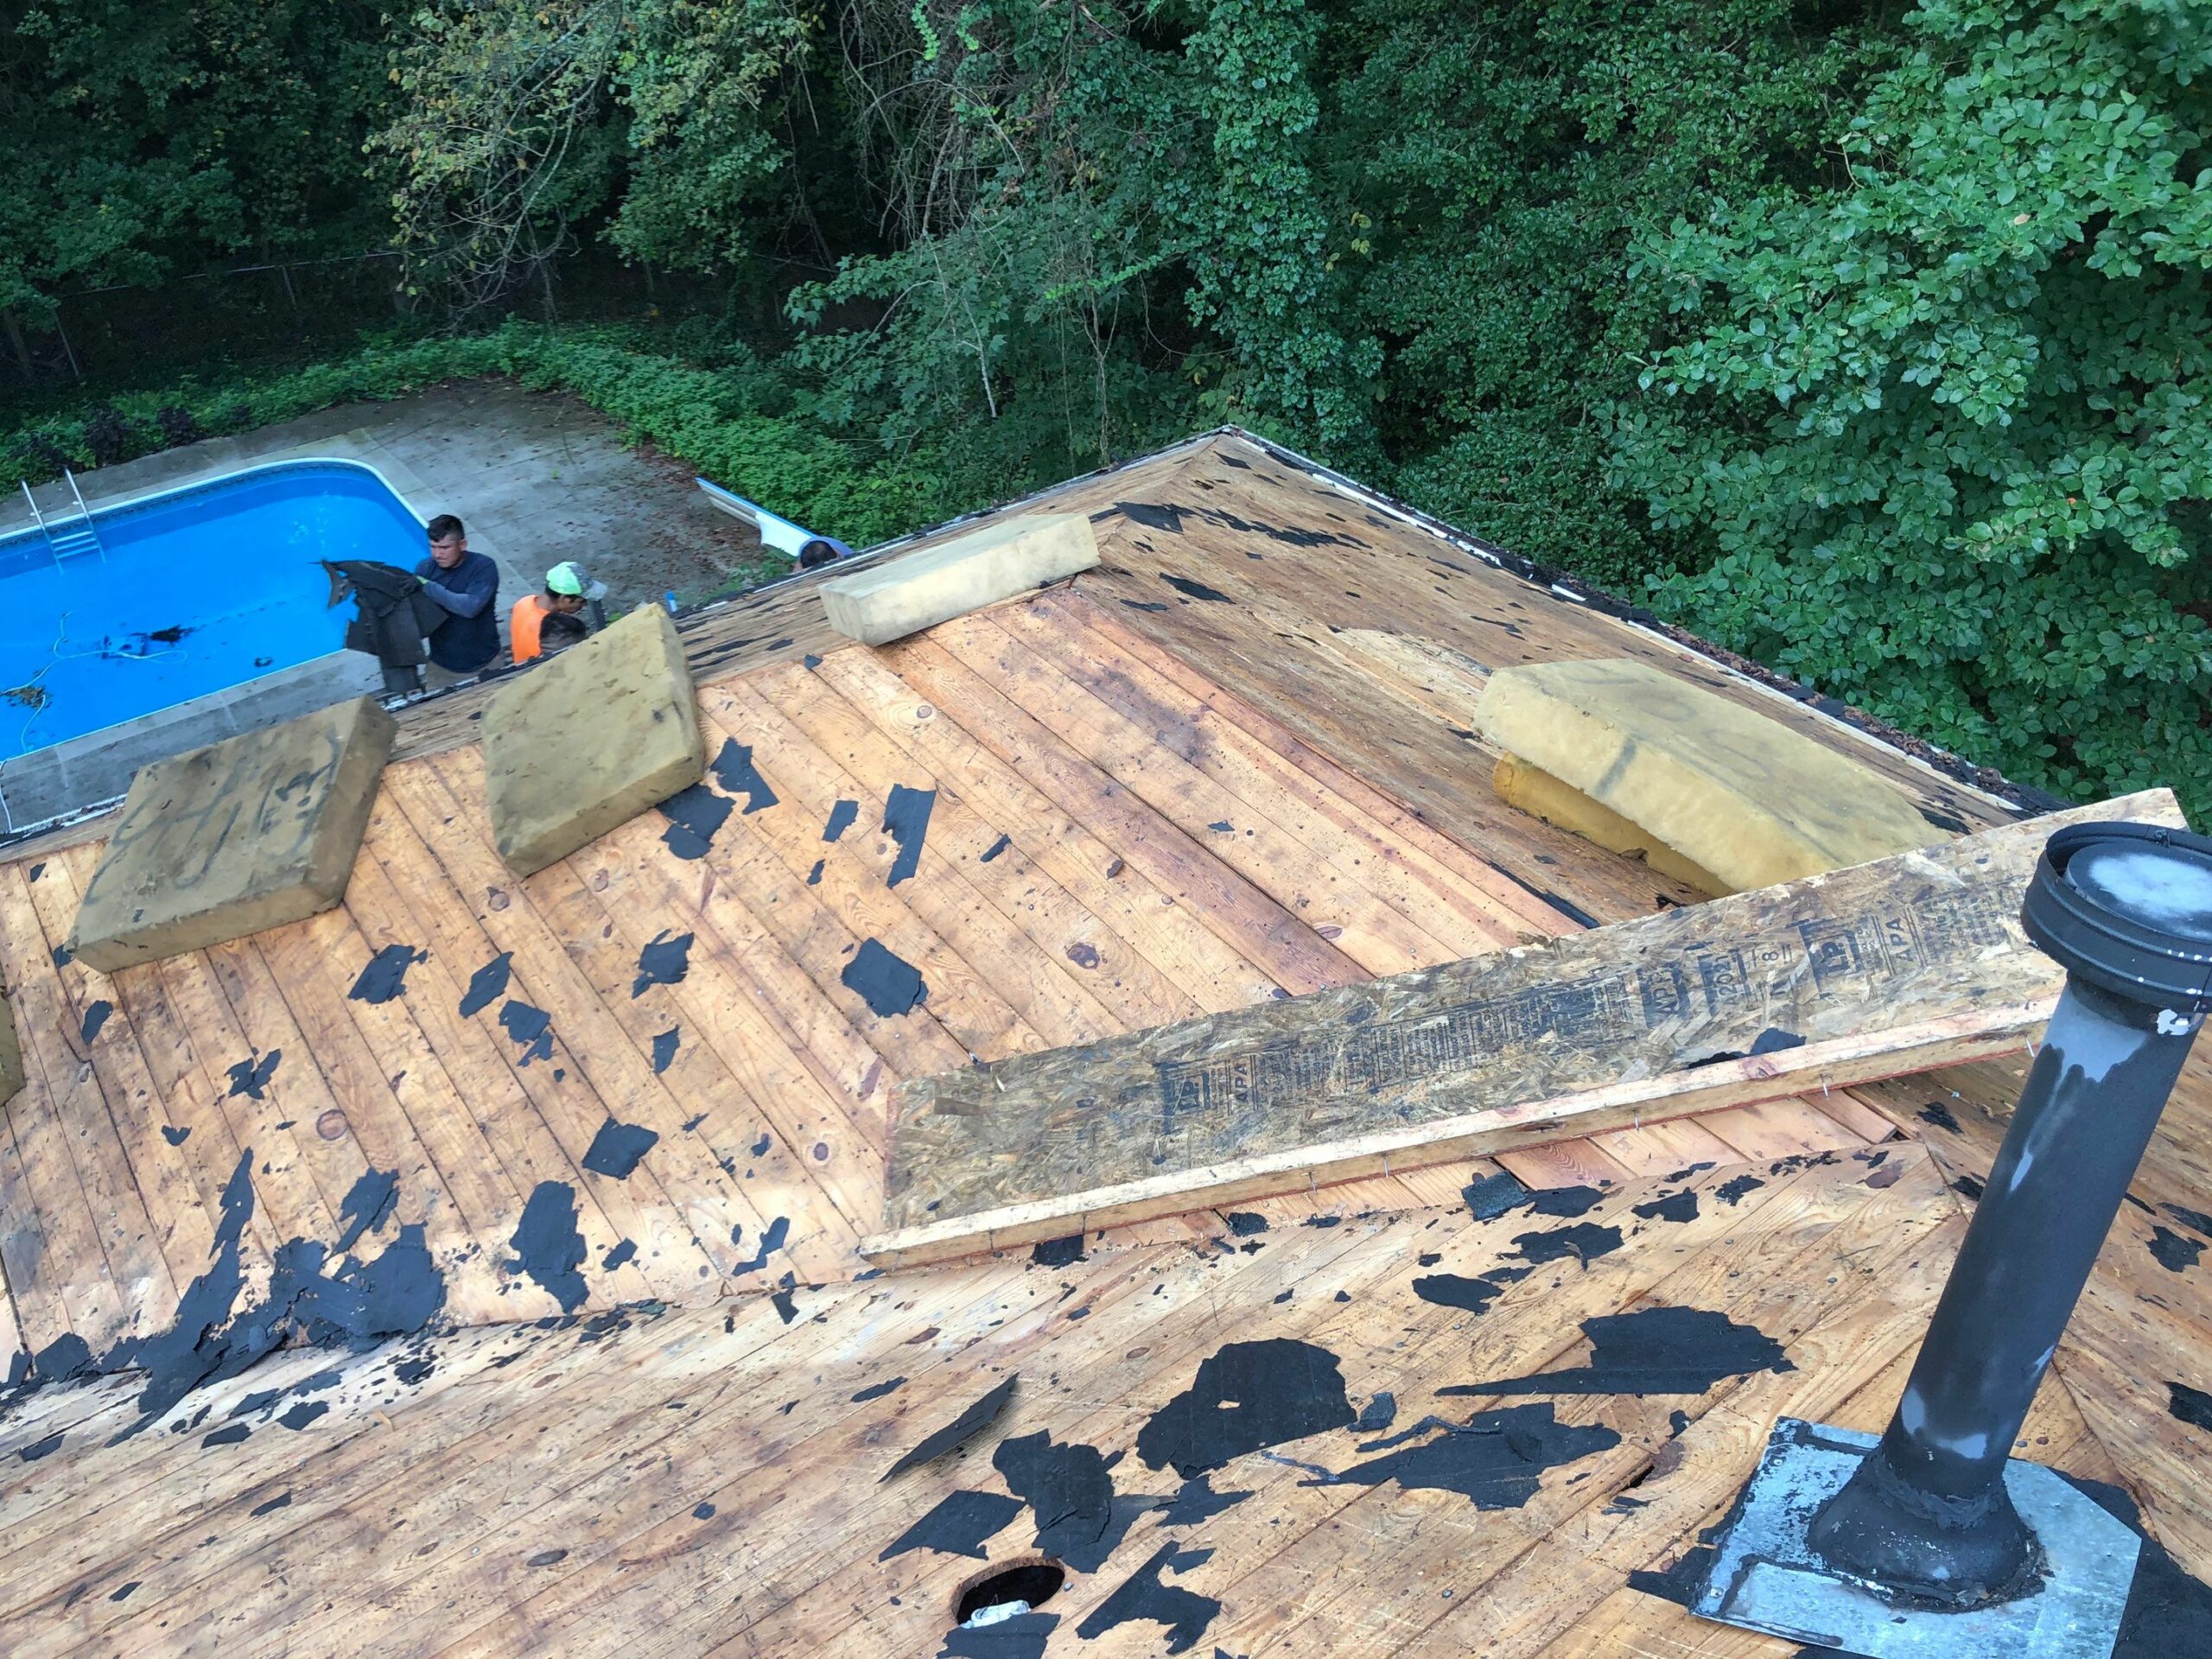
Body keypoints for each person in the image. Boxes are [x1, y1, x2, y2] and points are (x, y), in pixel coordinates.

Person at [414, 514, 500, 683]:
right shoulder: (425, 569)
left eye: (445, 548)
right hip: (441, 671)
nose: (437, 554)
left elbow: (470, 607)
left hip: (487, 665)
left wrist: (427, 586)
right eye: (433, 547)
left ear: (462, 545)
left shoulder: (483, 567)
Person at [510, 562, 601, 664]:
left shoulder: (525, 601)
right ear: (564, 598)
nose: (584, 605)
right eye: (582, 601)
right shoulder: (549, 631)